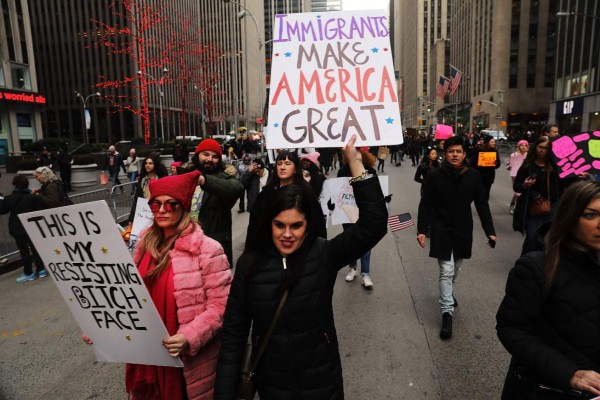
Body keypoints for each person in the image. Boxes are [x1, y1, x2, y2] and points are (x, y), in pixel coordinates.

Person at [214, 135, 388, 399]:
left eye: (296, 226)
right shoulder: (249, 265)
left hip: (322, 381)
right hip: (272, 383)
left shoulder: (323, 254)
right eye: (279, 225)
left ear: (308, 226)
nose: (287, 234)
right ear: (268, 224)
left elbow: (373, 225)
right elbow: (234, 335)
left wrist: (355, 162)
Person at [85, 170, 232, 400]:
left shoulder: (208, 248)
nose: (162, 210)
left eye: (170, 205)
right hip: (148, 356)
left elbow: (221, 306)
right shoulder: (145, 241)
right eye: (156, 205)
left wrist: (189, 336)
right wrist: (104, 329)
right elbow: (129, 294)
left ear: (184, 207)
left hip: (186, 361)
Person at [496, 180, 600, 400]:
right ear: (570, 219)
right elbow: (512, 330)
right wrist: (569, 374)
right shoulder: (537, 267)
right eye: (591, 215)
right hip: (548, 389)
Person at [417, 136, 497, 339]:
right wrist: (421, 230)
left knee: (456, 268)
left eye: (458, 151)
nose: (455, 154)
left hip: (463, 229)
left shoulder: (474, 176)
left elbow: (481, 204)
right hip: (441, 228)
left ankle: (448, 292)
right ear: (445, 153)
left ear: (464, 154)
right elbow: (425, 204)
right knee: (446, 270)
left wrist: (490, 230)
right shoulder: (435, 176)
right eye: (451, 151)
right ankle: (447, 314)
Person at [246, 150, 327, 246]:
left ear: (296, 168)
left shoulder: (306, 194)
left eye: (287, 164)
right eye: (279, 164)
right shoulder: (265, 195)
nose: (283, 167)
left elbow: (318, 225)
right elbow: (254, 227)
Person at [189, 138, 244, 267]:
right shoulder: (187, 175)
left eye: (215, 156)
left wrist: (205, 181)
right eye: (206, 154)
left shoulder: (224, 178)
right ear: (197, 156)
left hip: (214, 248)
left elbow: (236, 188)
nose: (209, 159)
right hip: (187, 245)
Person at [338, 147, 379, 289]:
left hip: (365, 212)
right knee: (350, 240)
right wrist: (332, 203)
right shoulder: (343, 171)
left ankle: (366, 273)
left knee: (366, 241)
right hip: (348, 211)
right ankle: (353, 268)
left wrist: (383, 198)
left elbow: (376, 190)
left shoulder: (371, 171)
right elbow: (338, 190)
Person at [512, 136, 561, 256]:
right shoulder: (527, 165)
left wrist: (579, 176)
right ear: (535, 147)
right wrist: (524, 185)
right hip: (532, 207)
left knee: (547, 239)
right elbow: (516, 186)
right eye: (540, 147)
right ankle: (525, 261)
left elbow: (564, 183)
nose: (542, 150)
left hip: (551, 207)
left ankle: (539, 262)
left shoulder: (555, 166)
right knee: (532, 237)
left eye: (546, 148)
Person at [0, 175, 46, 282]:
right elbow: (40, 211)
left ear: (14, 184)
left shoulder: (9, 198)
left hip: (17, 228)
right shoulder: (33, 197)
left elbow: (2, 211)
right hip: (32, 226)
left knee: (24, 251)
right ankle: (41, 269)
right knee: (35, 249)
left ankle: (29, 273)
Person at [128, 154, 169, 225]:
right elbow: (136, 199)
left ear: (155, 165)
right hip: (144, 213)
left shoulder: (161, 179)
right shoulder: (142, 180)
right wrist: (131, 218)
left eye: (150, 163)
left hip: (158, 212)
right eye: (146, 163)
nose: (147, 165)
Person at [469, 135, 501, 201]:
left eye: (494, 142)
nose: (494, 143)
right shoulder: (480, 151)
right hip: (480, 175)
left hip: (490, 176)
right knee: (479, 192)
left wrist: (495, 164)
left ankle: (484, 205)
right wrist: (479, 166)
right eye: (492, 142)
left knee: (487, 192)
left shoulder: (495, 151)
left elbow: (498, 164)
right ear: (487, 142)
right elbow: (472, 163)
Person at [506, 140, 529, 214]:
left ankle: (521, 206)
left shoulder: (529, 155)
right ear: (519, 146)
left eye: (525, 145)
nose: (523, 147)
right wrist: (509, 167)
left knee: (525, 191)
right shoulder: (514, 155)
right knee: (517, 192)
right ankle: (513, 203)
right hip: (515, 174)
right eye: (522, 145)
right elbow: (509, 164)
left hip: (526, 174)